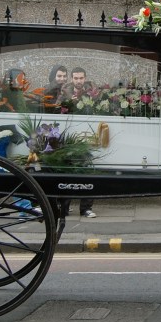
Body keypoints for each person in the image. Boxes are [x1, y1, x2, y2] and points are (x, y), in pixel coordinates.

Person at [65, 66, 96, 218]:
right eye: (76, 78)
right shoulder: (64, 91)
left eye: (81, 78)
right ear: (72, 79)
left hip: (87, 135)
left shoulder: (92, 92)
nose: (78, 81)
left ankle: (86, 208)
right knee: (66, 171)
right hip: (68, 137)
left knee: (87, 170)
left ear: (85, 78)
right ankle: (64, 207)